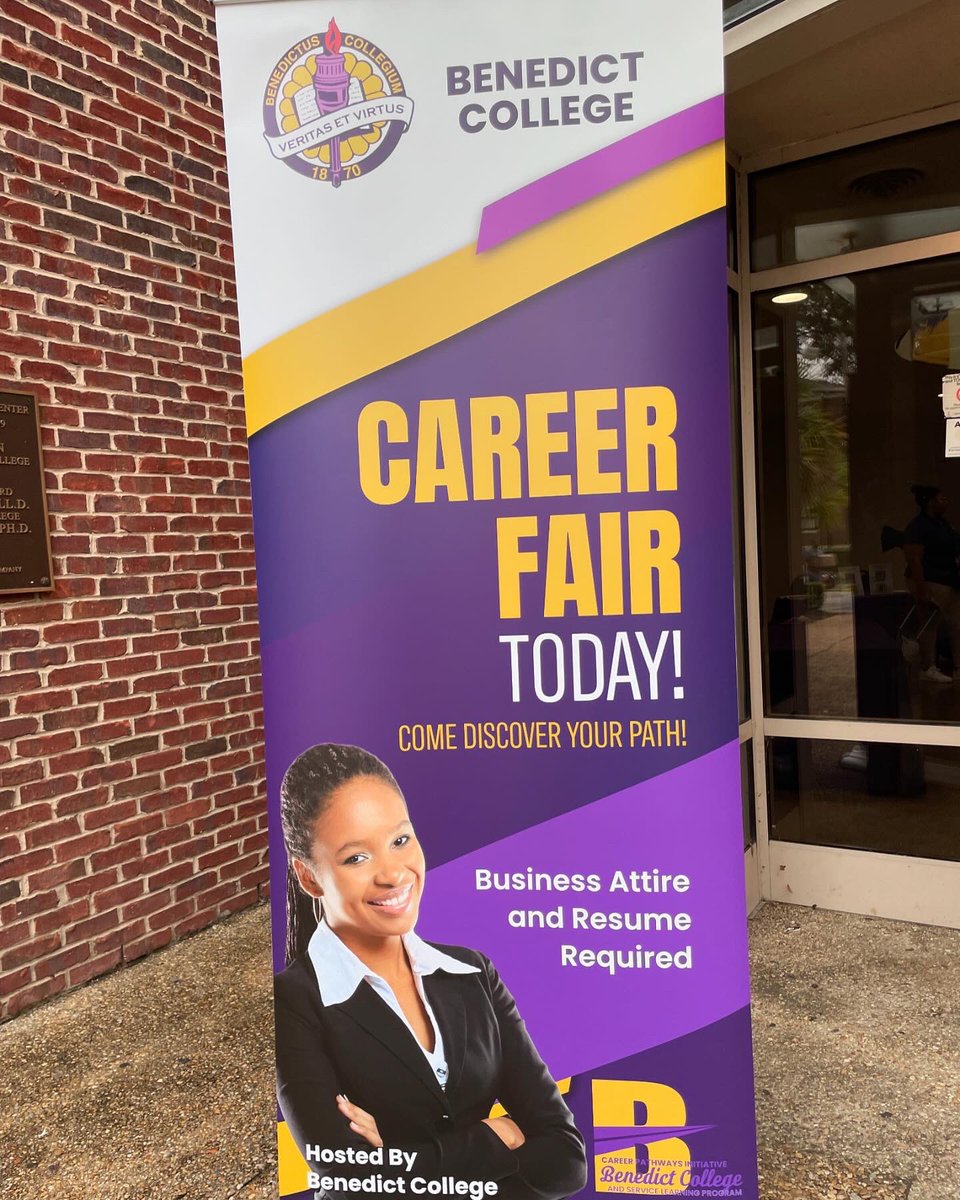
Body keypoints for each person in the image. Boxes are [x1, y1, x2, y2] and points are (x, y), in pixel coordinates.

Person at [274, 743, 587, 1200]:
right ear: (309, 878)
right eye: (356, 858)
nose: (393, 873)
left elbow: (566, 1159)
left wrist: (401, 1158)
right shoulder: (294, 1003)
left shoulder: (473, 973)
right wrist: (498, 1137)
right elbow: (352, 1184)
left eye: (400, 840)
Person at [902, 484, 960, 684]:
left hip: (948, 582)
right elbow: (914, 559)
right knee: (929, 624)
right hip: (931, 581)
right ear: (930, 502)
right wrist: (922, 587)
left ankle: (958, 667)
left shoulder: (943, 524)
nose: (945, 502)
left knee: (956, 624)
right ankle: (928, 667)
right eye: (941, 499)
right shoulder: (918, 527)